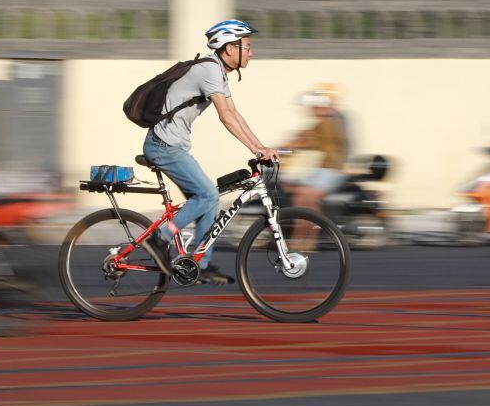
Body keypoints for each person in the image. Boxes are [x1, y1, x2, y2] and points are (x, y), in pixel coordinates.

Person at [141, 19, 280, 285]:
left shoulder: (218, 71)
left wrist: (260, 146)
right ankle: (160, 239)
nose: (252, 53)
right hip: (163, 147)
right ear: (230, 48)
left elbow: (234, 113)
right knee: (207, 195)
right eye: (247, 47)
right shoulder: (208, 70)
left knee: (210, 199)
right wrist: (255, 148)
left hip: (173, 146)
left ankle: (201, 264)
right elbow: (225, 116)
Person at [282, 84, 350, 249]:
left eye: (316, 106)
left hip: (333, 169)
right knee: (298, 196)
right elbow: (301, 140)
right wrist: (280, 150)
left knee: (309, 197)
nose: (312, 109)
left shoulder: (335, 121)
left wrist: (291, 146)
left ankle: (308, 240)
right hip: (321, 169)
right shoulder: (320, 124)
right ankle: (300, 238)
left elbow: (306, 140)